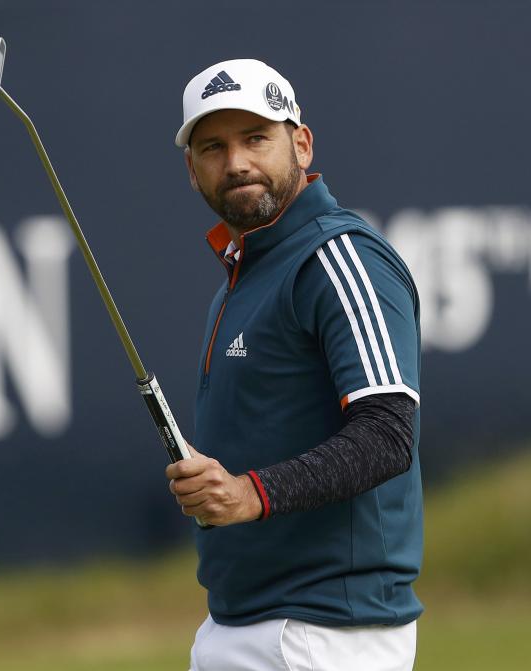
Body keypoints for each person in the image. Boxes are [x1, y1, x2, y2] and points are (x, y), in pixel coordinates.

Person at [166, 59, 423, 671]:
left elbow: (388, 434)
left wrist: (250, 494)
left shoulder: (338, 256)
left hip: (324, 632)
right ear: (192, 168)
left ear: (300, 144)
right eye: (213, 147)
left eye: (256, 138)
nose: (236, 163)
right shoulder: (246, 273)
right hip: (244, 619)